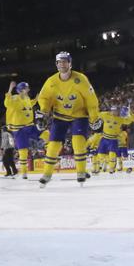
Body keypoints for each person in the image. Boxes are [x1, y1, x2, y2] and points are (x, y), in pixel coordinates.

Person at [36, 51, 99, 187]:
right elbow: (44, 98)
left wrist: (94, 117)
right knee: (53, 146)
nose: (62, 64)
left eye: (65, 61)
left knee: (78, 143)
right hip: (59, 116)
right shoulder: (51, 81)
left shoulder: (81, 79)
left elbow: (91, 100)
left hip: (79, 115)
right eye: (59, 62)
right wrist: (44, 112)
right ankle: (47, 174)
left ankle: (81, 172)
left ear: (70, 64)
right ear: (56, 64)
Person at [3, 80, 38, 179]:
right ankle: (24, 173)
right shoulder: (14, 98)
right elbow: (7, 103)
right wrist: (10, 89)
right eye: (27, 88)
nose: (29, 89)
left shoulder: (27, 98)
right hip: (19, 129)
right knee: (23, 152)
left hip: (29, 126)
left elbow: (28, 104)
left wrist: (36, 99)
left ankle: (52, 155)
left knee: (45, 134)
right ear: (21, 90)